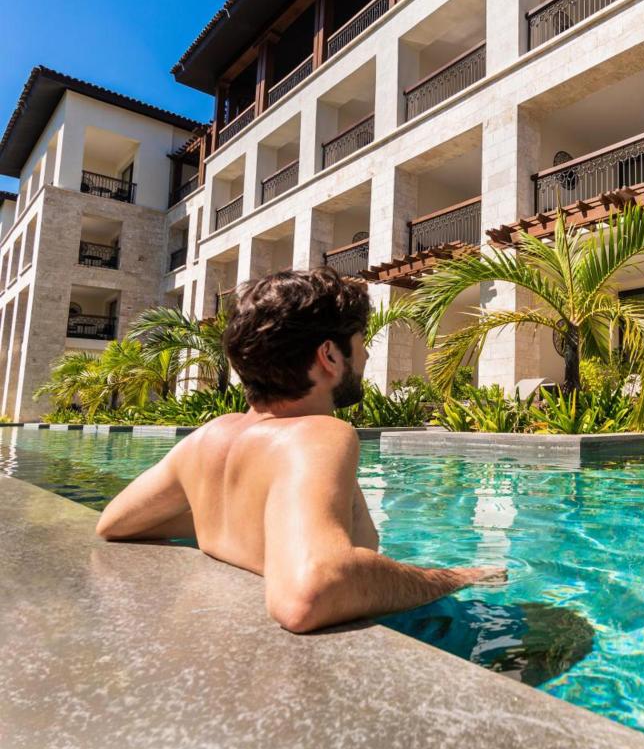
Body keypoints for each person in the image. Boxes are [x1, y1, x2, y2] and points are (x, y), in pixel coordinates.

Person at [95, 268, 504, 633]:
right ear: (328, 355)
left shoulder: (211, 436)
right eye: (360, 342)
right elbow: (309, 594)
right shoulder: (318, 434)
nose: (365, 354)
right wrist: (451, 577)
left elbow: (115, 522)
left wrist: (235, 520)